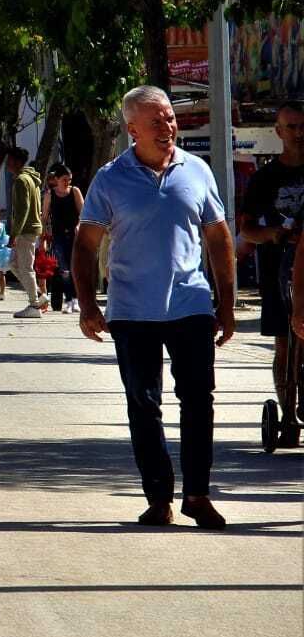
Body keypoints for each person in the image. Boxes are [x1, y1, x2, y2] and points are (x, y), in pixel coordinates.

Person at [73, 85, 235, 529]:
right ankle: (159, 497)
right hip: (131, 310)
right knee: (144, 405)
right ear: (132, 130)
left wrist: (227, 302)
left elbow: (218, 239)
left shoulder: (197, 171)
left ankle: (198, 494)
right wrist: (88, 305)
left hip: (191, 304)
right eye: (156, 120)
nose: (168, 126)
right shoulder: (110, 178)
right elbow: (85, 247)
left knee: (199, 401)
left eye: (169, 117)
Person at [237, 101, 304, 416]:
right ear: (278, 132)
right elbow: (246, 229)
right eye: (291, 127)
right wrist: (273, 234)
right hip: (279, 272)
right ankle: (288, 412)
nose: (298, 133)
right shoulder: (264, 179)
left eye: (303, 126)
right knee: (285, 344)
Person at [5, 146, 47, 319]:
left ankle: (34, 304)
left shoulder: (22, 180)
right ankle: (38, 295)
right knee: (14, 264)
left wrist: (14, 234)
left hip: (26, 230)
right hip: (30, 228)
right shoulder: (31, 178)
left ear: (16, 161)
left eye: (9, 160)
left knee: (25, 267)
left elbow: (22, 210)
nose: (7, 164)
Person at [42, 163, 85, 314]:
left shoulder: (75, 191)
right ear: (57, 179)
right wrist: (43, 237)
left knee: (74, 268)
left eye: (70, 179)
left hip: (74, 235)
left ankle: (75, 300)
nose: (67, 182)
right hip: (58, 236)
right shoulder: (50, 194)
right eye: (65, 179)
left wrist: (79, 225)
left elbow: (83, 212)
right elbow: (45, 216)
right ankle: (69, 300)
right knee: (64, 270)